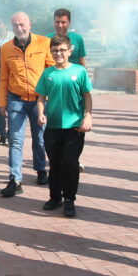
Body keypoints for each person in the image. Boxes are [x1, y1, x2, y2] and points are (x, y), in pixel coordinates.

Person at [34, 34, 92, 217]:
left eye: (62, 50)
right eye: (55, 50)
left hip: (74, 127)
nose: (58, 53)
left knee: (70, 163)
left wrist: (88, 116)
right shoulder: (48, 73)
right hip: (53, 127)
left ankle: (69, 199)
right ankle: (55, 197)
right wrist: (41, 113)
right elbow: (41, 97)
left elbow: (87, 96)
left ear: (70, 51)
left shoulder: (79, 71)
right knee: (56, 163)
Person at [0, 12, 51, 198]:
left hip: (39, 100)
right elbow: (3, 78)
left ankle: (40, 169)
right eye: (15, 25)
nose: (19, 28)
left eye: (22, 24)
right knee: (16, 140)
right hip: (16, 99)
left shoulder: (44, 43)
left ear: (30, 24)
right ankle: (15, 179)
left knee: (40, 137)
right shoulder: (6, 49)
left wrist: (50, 97)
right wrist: (2, 103)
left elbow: (51, 71)